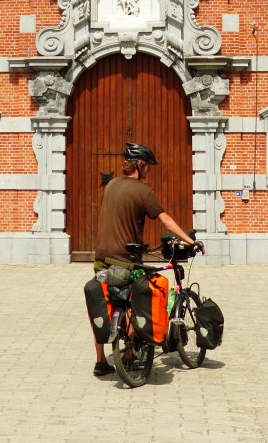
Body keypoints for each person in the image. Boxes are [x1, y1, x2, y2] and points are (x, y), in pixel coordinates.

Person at [91, 142, 204, 377]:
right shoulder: (144, 191)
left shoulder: (110, 185)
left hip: (102, 258)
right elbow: (165, 220)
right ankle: (130, 353)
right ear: (140, 165)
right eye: (148, 166)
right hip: (125, 258)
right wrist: (190, 241)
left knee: (103, 303)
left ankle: (101, 360)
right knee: (137, 298)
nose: (149, 171)